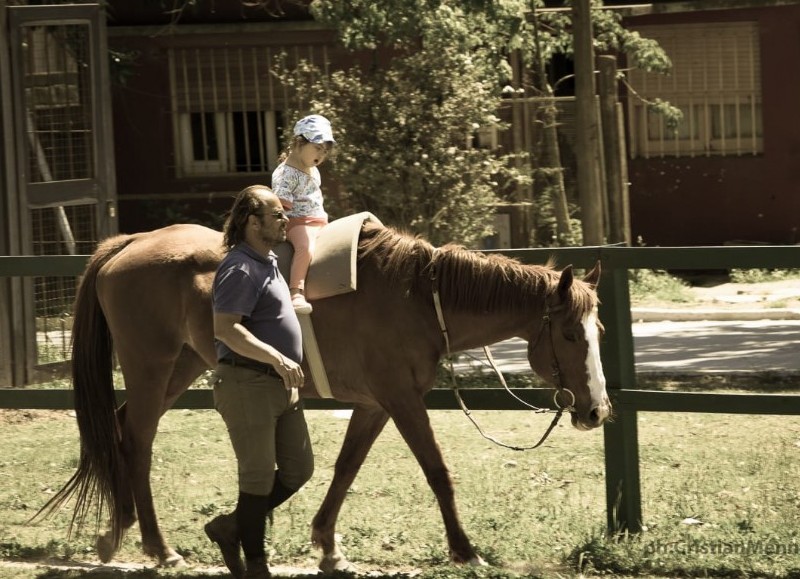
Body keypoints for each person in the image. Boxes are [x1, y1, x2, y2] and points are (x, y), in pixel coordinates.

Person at [204, 185, 314, 579]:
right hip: (248, 384)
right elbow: (226, 330)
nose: (286, 219)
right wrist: (279, 357)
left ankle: (231, 527)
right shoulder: (239, 268)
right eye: (277, 215)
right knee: (257, 477)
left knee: (298, 470)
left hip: (281, 388)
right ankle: (256, 566)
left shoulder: (267, 261)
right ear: (253, 222)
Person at [270, 114, 335, 314]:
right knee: (305, 247)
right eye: (317, 148)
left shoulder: (312, 170)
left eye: (324, 151)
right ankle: (296, 291)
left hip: (319, 221)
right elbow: (280, 209)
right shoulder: (285, 174)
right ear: (299, 143)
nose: (321, 155)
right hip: (297, 224)